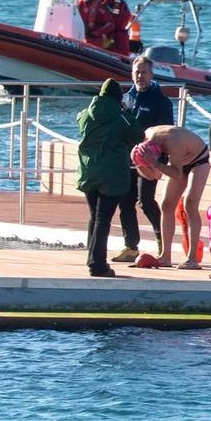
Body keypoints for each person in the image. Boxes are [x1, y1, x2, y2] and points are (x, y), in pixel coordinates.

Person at [115, 53, 173, 262]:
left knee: (145, 200)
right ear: (132, 74)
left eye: (144, 73)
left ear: (151, 74)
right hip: (129, 158)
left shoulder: (161, 101)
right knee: (125, 200)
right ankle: (131, 247)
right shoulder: (127, 98)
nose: (140, 76)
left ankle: (162, 241)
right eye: (137, 72)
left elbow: (167, 132)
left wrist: (157, 161)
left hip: (151, 159)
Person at [77, 80, 135, 279]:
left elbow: (79, 122)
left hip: (89, 172)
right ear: (119, 98)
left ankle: (92, 257)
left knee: (94, 216)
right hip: (112, 175)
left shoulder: (86, 115)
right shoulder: (121, 118)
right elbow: (138, 135)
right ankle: (98, 265)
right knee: (103, 219)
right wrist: (127, 111)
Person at [132, 124, 210, 268]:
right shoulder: (148, 136)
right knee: (166, 205)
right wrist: (139, 163)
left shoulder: (174, 140)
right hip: (179, 162)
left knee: (190, 204)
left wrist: (154, 163)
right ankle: (165, 256)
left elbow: (177, 174)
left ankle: (192, 258)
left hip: (198, 160)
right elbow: (152, 176)